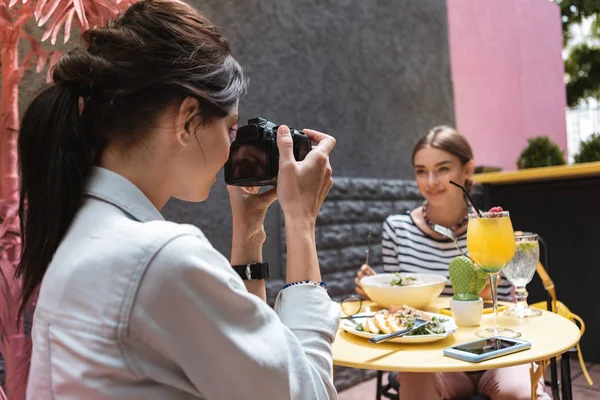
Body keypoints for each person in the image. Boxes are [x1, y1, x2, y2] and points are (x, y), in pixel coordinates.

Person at [17, 1, 339, 399]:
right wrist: (301, 222)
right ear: (188, 120)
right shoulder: (159, 258)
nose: (230, 150)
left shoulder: (84, 230)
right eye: (231, 128)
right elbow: (308, 393)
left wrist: (249, 230)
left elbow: (249, 368)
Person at [354, 126, 549, 400]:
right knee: (415, 380)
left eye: (443, 168)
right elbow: (399, 312)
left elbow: (508, 311)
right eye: (421, 170)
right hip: (431, 355)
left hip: (495, 351)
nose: (431, 180)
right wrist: (378, 293)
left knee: (520, 392)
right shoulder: (397, 229)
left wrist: (484, 298)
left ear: (468, 169)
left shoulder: (489, 227)